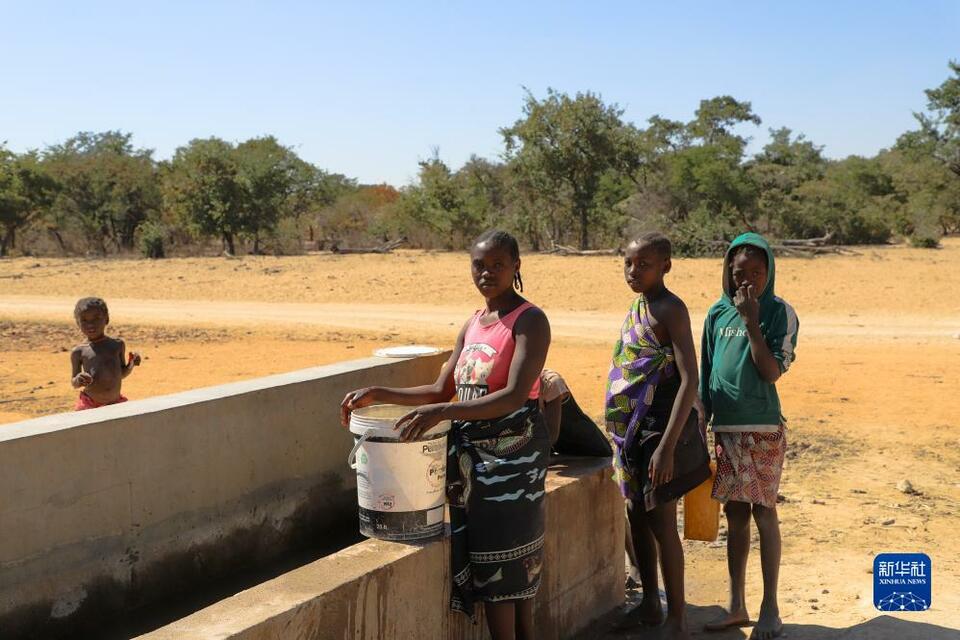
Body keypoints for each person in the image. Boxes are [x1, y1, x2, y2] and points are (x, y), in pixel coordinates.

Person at [340, 230, 550, 640]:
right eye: (479, 265)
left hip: (513, 455)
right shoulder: (474, 323)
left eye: (497, 265)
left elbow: (512, 396)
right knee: (499, 563)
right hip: (476, 457)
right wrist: (378, 393)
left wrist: (443, 411)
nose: (487, 273)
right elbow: (440, 389)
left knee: (507, 561)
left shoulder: (530, 320)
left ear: (516, 267)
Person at [606, 232, 710, 640]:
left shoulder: (670, 308)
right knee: (636, 515)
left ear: (666, 266)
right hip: (631, 432)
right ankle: (651, 602)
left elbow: (690, 379)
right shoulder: (639, 306)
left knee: (662, 521)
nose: (634, 271)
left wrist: (666, 447)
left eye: (643, 264)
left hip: (659, 429)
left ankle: (678, 618)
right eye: (628, 263)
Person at [700, 233, 798, 640]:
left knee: (763, 512)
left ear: (769, 272)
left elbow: (770, 371)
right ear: (728, 272)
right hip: (726, 428)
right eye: (740, 273)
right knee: (735, 515)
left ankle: (770, 608)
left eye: (757, 273)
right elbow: (706, 374)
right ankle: (736, 604)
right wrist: (701, 420)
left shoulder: (778, 313)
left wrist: (751, 321)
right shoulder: (715, 314)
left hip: (761, 428)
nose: (748, 282)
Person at [70, 297, 141, 410]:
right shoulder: (78, 352)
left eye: (96, 318)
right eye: (84, 320)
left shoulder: (117, 345)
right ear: (78, 323)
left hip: (115, 402)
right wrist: (79, 379)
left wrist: (131, 364)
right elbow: (74, 383)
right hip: (89, 404)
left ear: (106, 319)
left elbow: (121, 374)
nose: (90, 324)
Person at [539, 368, 612, 457]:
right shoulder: (521, 384)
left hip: (590, 448)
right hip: (561, 449)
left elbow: (552, 435)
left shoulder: (551, 382)